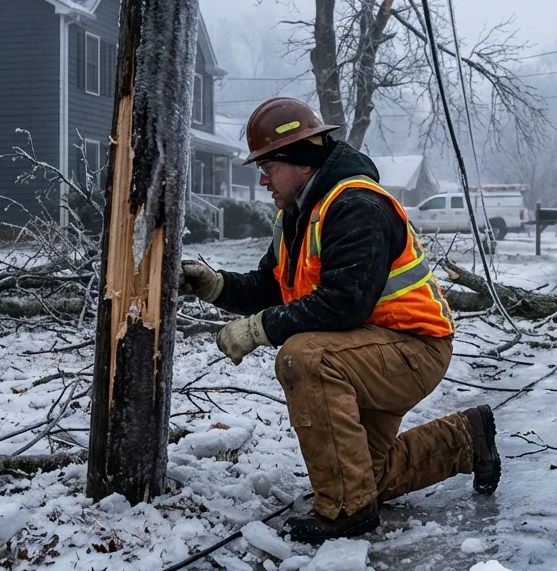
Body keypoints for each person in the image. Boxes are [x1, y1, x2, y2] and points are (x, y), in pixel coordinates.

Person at [180, 97, 501, 544]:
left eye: (269, 164)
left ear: (301, 159)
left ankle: (347, 511)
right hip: (367, 348)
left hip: (412, 348)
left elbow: (342, 304)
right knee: (369, 475)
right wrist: (217, 286)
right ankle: (467, 438)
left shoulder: (355, 205)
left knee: (303, 358)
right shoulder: (298, 214)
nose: (263, 177)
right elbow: (272, 285)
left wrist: (258, 330)